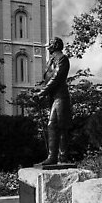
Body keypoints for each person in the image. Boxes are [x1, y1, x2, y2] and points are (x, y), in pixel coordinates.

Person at [35, 37, 72, 165]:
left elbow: (56, 78)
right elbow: (48, 78)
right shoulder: (51, 60)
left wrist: (42, 92)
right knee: (56, 126)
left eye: (50, 44)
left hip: (60, 97)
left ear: (56, 45)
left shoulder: (62, 59)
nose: (48, 46)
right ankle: (58, 157)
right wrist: (42, 90)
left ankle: (58, 157)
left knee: (56, 125)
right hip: (53, 97)